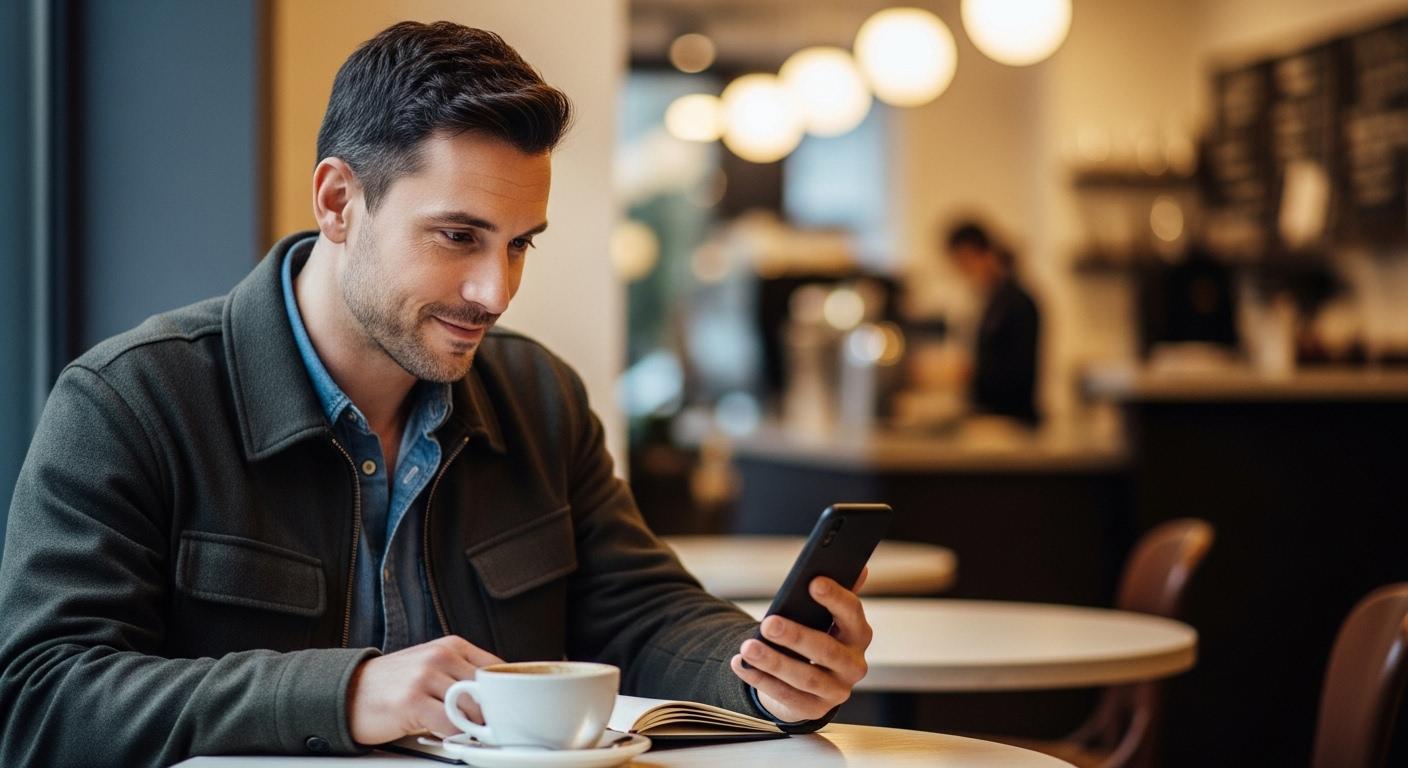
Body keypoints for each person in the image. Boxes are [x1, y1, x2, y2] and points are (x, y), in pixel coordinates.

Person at [0, 22, 871, 767]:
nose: (495, 291)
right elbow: (42, 701)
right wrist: (344, 696)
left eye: (521, 243)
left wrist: (765, 673)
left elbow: (642, 614)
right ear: (340, 201)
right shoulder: (131, 402)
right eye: (458, 236)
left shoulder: (537, 395)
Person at [946, 222, 1041, 425]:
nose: (964, 273)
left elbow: (1018, 372)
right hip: (997, 416)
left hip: (1011, 420)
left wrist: (969, 373)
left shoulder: (1015, 302)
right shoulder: (995, 301)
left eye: (964, 263)